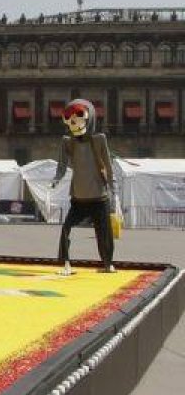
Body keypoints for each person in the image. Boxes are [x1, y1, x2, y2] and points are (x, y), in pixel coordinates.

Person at [52, 99, 117, 275]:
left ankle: (107, 263)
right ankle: (66, 263)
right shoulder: (67, 142)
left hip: (98, 197)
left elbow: (108, 166)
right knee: (66, 229)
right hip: (78, 198)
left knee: (104, 233)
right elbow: (62, 165)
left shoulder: (99, 140)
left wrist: (113, 189)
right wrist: (56, 178)